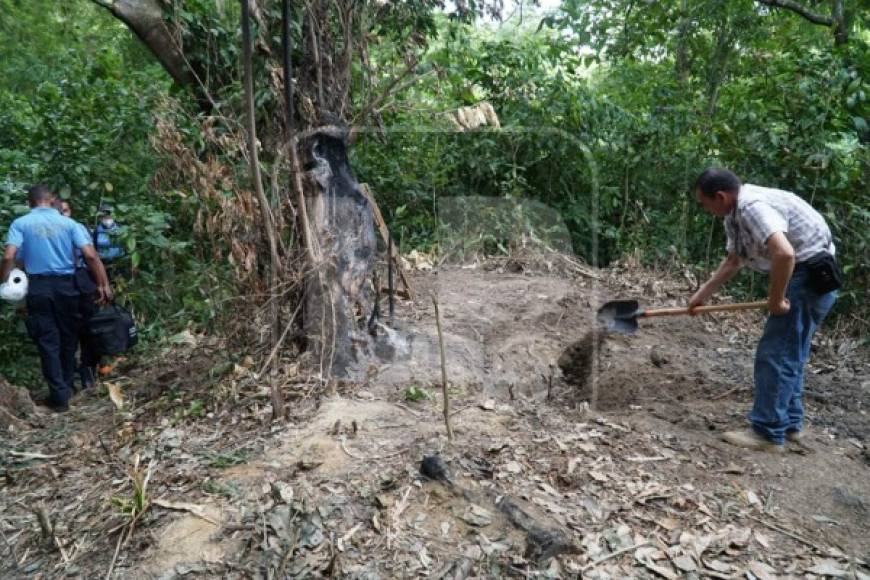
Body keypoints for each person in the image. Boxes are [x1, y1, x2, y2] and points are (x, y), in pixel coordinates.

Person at [689, 168, 839, 453]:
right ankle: (790, 424)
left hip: (810, 275)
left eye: (703, 202)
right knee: (791, 352)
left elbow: (784, 253)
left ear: (719, 197)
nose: (704, 208)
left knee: (775, 354)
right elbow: (734, 260)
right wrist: (702, 295)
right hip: (809, 274)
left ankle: (768, 432)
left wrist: (776, 298)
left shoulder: (751, 207)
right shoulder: (733, 213)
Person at [1, 185, 112, 412]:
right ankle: (68, 386)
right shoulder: (69, 224)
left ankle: (59, 397)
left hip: (39, 287)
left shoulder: (21, 224)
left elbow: (11, 256)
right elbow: (90, 255)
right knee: (68, 337)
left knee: (47, 341)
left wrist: (5, 282)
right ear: (51, 201)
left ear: (30, 202)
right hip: (67, 286)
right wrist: (103, 284)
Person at [54, 199, 101, 390]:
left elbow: (92, 256)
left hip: (82, 279)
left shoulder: (78, 227)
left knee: (89, 328)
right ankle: (69, 374)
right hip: (61, 282)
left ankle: (87, 369)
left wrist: (101, 282)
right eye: (60, 211)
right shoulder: (51, 232)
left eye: (66, 210)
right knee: (65, 332)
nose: (64, 214)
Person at [93, 204, 124, 279]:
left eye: (108, 213)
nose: (106, 216)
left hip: (118, 262)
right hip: (103, 262)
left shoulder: (120, 228)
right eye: (104, 214)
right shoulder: (97, 229)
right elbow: (94, 246)